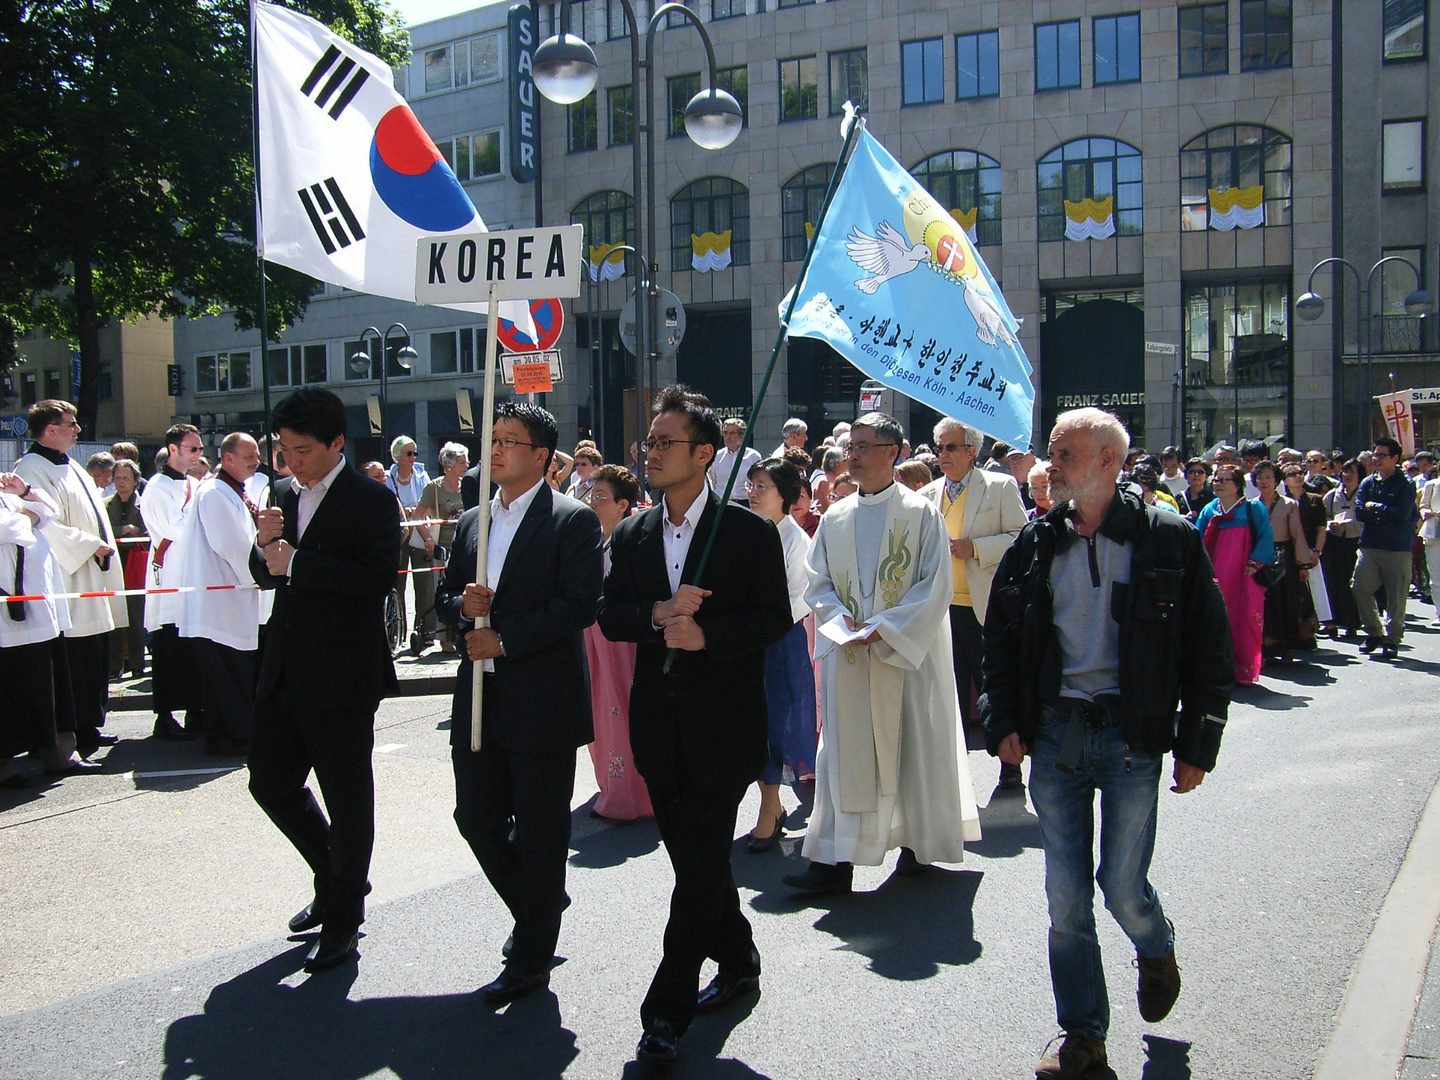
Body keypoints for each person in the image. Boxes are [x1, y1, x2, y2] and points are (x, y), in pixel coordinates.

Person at [981, 408, 1233, 1080]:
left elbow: (1210, 647)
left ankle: (1156, 946)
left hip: (1132, 736)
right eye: (1053, 453)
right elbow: (1002, 637)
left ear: (1109, 464)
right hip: (1057, 735)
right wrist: (1001, 717)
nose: (1051, 466)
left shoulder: (1168, 539)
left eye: (1066, 455)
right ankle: (1082, 1036)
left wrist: (1197, 745)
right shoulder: (1036, 542)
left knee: (1122, 888)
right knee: (1066, 897)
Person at [597, 386, 791, 1066]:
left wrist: (707, 635)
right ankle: (738, 957)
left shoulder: (747, 532)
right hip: (657, 729)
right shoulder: (633, 533)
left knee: (698, 863)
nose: (650, 453)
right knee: (699, 862)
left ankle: (666, 1011)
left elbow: (772, 618)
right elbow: (611, 613)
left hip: (726, 729)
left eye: (664, 443)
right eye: (647, 443)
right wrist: (658, 614)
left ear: (705, 454)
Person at [436, 401, 603, 1005]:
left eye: (510, 440)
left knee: (539, 829)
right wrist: (462, 611)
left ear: (541, 456)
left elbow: (579, 605)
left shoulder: (571, 521)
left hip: (542, 699)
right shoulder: (472, 522)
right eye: (493, 439)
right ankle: (539, 904)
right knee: (475, 816)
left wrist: (504, 638)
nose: (497, 449)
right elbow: (445, 600)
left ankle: (532, 952)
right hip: (480, 693)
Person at [785, 412, 981, 894]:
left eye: (864, 446)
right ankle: (834, 859)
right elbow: (819, 581)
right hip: (851, 655)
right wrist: (840, 621)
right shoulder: (836, 515)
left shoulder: (921, 512)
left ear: (893, 453)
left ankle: (918, 845)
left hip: (903, 656)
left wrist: (885, 627)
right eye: (850, 446)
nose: (852, 454)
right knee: (843, 756)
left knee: (912, 748)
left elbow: (934, 586)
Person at [247, 388, 401, 974]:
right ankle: (334, 875)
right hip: (284, 666)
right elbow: (266, 574)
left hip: (342, 673)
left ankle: (343, 919)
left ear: (337, 443)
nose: (290, 461)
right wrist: (265, 546)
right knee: (269, 782)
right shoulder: (281, 492)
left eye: (302, 450)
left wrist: (297, 562)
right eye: (283, 449)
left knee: (348, 797)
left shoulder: (371, 499)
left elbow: (376, 578)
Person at [15, 400, 127, 758]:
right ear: (50, 429)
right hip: (69, 576)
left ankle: (91, 723)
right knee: (74, 657)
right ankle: (76, 728)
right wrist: (89, 545)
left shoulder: (71, 464)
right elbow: (43, 523)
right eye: (71, 424)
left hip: (91, 574)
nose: (78, 429)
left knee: (93, 654)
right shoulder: (30, 469)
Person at [919, 417, 1027, 788]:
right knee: (947, 690)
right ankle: (955, 774)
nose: (943, 455)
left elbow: (1019, 537)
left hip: (985, 608)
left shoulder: (999, 487)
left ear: (972, 451)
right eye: (939, 447)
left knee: (992, 687)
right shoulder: (927, 495)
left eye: (951, 447)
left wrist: (976, 548)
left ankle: (1010, 765)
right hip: (942, 609)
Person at [176, 433, 270, 756]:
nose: (256, 461)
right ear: (228, 458)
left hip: (230, 601)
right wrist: (263, 574)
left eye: (256, 455)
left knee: (230, 672)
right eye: (249, 456)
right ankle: (233, 735)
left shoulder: (229, 490)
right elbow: (232, 545)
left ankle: (224, 734)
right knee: (228, 674)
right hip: (220, 603)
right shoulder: (216, 493)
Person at [742, 457, 817, 852]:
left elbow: (796, 602)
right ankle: (769, 804)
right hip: (745, 644)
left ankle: (770, 808)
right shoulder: (746, 532)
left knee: (773, 726)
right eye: (751, 485)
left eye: (762, 487)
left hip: (777, 644)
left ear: (785, 495)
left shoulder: (796, 541)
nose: (753, 493)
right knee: (751, 727)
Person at [0, 476, 96, 782]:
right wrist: (30, 516)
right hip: (10, 620)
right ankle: (5, 767)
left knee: (53, 688)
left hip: (43, 613)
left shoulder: (9, 495)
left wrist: (26, 494)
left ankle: (60, 756)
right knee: (10, 693)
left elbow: (49, 512)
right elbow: (12, 529)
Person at [582, 464, 652, 821]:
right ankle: (610, 785)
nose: (593, 502)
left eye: (601, 497)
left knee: (621, 707)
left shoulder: (631, 540)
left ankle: (631, 791)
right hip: (591, 633)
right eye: (591, 495)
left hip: (621, 637)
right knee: (598, 708)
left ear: (624, 504)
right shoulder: (590, 538)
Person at [140, 423, 206, 741]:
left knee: (192, 648)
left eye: (200, 449)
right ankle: (164, 717)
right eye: (193, 448)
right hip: (168, 574)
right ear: (173, 450)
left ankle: (195, 710)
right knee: (167, 649)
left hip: (191, 573)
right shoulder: (156, 486)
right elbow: (173, 527)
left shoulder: (194, 483)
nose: (198, 454)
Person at [1195, 464, 1274, 685]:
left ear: (1238, 485)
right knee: (1214, 619)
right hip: (1215, 574)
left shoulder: (1253, 509)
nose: (1217, 484)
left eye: (1224, 480)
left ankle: (1243, 669)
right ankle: (1215, 668)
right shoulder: (1210, 509)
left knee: (1244, 618)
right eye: (1216, 480)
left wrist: (1255, 562)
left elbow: (1266, 537)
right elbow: (1197, 538)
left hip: (1244, 574)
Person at [1352, 437, 1421, 660]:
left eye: (1382, 455)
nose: (1376, 459)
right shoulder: (1368, 483)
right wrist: (1383, 512)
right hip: (1370, 545)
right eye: (1375, 454)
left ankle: (1392, 639)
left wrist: (1377, 508)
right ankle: (1373, 631)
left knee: (1396, 595)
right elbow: (1360, 512)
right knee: (1359, 586)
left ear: (1395, 458)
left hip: (1397, 547)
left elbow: (1402, 515)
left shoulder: (1405, 483)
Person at [1252, 460, 1312, 665]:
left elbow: (1297, 534)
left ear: (1277, 480)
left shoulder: (1289, 504)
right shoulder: (1252, 504)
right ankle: (1265, 649)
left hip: (1283, 555)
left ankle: (1287, 647)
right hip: (1261, 557)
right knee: (1265, 603)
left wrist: (1302, 564)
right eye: (1260, 477)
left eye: (1268, 477)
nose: (1264, 481)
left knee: (1287, 603)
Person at [417, 443, 470, 653]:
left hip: (463, 546)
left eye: (466, 461)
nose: (466, 465)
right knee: (444, 592)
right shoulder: (434, 488)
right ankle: (444, 638)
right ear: (448, 465)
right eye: (461, 462)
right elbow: (417, 516)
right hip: (442, 547)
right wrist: (428, 539)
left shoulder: (469, 484)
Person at [386, 436, 436, 651]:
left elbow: (427, 503)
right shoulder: (388, 478)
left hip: (418, 532)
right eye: (409, 453)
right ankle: (397, 631)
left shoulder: (421, 475)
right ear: (397, 456)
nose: (413, 457)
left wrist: (414, 513)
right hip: (396, 533)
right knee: (397, 582)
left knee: (424, 582)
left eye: (415, 453)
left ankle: (424, 631)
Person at [104, 459, 147, 679]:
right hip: (113, 564)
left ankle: (138, 664)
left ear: (135, 480)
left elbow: (147, 533)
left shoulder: (145, 503)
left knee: (136, 616)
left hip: (136, 563)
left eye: (126, 478)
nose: (121, 482)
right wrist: (125, 529)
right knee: (114, 616)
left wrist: (134, 532)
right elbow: (102, 531)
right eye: (118, 477)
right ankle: (115, 666)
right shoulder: (105, 504)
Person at [1283, 463, 1329, 647]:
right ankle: (1292, 633)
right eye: (1292, 474)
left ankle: (1309, 632)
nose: (1298, 476)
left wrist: (1317, 551)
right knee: (1293, 594)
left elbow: (1321, 528)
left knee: (1313, 594)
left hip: (1310, 551)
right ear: (1284, 480)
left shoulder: (1314, 499)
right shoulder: (1281, 501)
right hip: (1288, 553)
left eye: (1300, 473)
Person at [1322, 459, 1366, 638]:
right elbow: (1322, 518)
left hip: (1358, 542)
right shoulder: (1332, 495)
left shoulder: (1365, 494)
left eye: (1352, 472)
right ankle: (1332, 622)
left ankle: (1353, 623)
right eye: (1345, 472)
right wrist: (1329, 525)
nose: (1347, 476)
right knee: (1334, 582)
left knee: (1354, 584)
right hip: (1335, 542)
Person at [709, 417, 763, 506]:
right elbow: (713, 481)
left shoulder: (753, 456)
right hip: (722, 504)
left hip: (745, 503)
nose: (727, 437)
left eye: (732, 433)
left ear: (741, 436)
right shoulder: (716, 456)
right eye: (725, 433)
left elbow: (758, 481)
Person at [1421, 466, 1440, 625]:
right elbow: (1423, 505)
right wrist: (1426, 512)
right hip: (1434, 532)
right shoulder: (1431, 485)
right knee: (1435, 574)